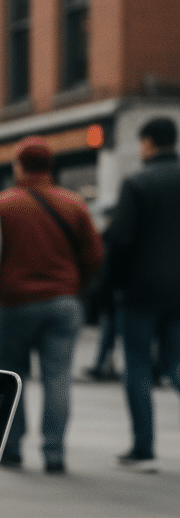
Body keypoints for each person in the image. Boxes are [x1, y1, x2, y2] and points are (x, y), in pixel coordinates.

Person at [0, 137, 103, 473]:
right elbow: (95, 255)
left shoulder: (2, 205)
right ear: (50, 167)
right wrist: (73, 286)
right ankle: (54, 453)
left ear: (19, 166)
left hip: (14, 302)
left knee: (12, 375)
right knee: (58, 378)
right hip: (62, 301)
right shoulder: (74, 204)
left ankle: (12, 448)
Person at [103, 117, 180, 468]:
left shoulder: (137, 183)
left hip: (140, 291)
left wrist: (112, 285)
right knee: (176, 364)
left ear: (147, 143)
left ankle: (144, 445)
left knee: (137, 367)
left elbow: (119, 240)